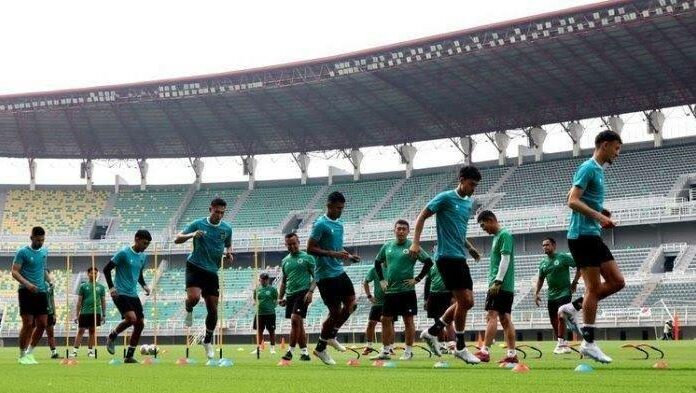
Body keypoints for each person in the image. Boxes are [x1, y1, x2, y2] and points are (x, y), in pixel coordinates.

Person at [558, 130, 625, 364]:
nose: (618, 153)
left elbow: (573, 195)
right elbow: (572, 200)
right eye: (616, 148)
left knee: (618, 282)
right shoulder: (588, 167)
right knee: (594, 290)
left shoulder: (597, 170)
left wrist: (600, 214)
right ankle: (588, 343)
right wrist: (599, 216)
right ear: (604, 145)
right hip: (582, 236)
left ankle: (572, 307)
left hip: (592, 235)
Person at [410, 166, 482, 364]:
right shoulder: (445, 198)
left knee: (468, 302)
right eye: (471, 184)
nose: (473, 189)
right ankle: (459, 347)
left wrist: (470, 247)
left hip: (460, 256)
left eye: (476, 186)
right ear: (461, 179)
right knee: (464, 301)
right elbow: (422, 216)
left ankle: (433, 331)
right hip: (446, 256)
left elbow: (459, 231)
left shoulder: (467, 204)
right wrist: (416, 242)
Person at [175, 197, 233, 360]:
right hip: (194, 266)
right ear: (210, 209)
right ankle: (189, 308)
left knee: (213, 309)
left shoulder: (227, 229)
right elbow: (177, 238)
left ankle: (207, 341)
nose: (219, 215)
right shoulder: (198, 224)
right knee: (193, 298)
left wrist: (229, 253)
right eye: (217, 212)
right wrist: (192, 234)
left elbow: (228, 244)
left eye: (222, 213)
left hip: (212, 271)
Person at [307, 191, 360, 365]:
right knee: (335, 312)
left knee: (352, 305)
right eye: (338, 208)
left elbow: (337, 247)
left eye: (342, 208)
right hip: (325, 275)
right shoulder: (320, 224)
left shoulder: (340, 224)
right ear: (329, 206)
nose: (340, 211)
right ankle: (321, 348)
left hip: (339, 271)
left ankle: (331, 336)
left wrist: (348, 255)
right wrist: (333, 254)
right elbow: (310, 248)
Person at [372, 220, 433, 361]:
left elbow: (428, 262)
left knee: (408, 320)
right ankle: (386, 351)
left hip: (407, 291)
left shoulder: (413, 246)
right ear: (394, 230)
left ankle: (408, 352)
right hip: (391, 291)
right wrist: (381, 280)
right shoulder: (387, 246)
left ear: (408, 231)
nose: (401, 231)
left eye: (404, 229)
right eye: (399, 228)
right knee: (385, 319)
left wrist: (417, 279)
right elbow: (377, 262)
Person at [474, 210, 518, 364]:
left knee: (491, 315)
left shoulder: (504, 235)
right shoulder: (497, 237)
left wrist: (497, 281)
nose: (483, 228)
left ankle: (484, 351)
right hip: (503, 285)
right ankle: (512, 355)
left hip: (499, 285)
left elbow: (505, 259)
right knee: (505, 319)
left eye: (483, 225)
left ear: (491, 220)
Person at [104, 230, 152, 363]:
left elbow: (139, 273)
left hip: (133, 294)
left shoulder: (143, 256)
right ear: (136, 239)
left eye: (148, 244)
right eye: (144, 243)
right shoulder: (124, 253)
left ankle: (129, 356)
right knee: (131, 319)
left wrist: (144, 285)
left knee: (140, 324)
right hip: (120, 292)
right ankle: (112, 336)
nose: (145, 246)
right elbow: (106, 269)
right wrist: (111, 287)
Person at [534, 237, 580, 354]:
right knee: (553, 320)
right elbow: (540, 279)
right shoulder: (543, 263)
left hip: (565, 292)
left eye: (547, 245)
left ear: (554, 246)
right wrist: (536, 293)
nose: (545, 247)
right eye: (543, 245)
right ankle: (563, 342)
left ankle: (560, 343)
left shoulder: (563, 257)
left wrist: (574, 282)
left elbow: (579, 266)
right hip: (551, 295)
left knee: (561, 315)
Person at [12, 226, 49, 365]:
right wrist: (27, 284)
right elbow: (14, 271)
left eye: (43, 240)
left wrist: (50, 281)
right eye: (38, 240)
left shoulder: (45, 251)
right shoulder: (22, 252)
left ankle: (29, 353)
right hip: (26, 291)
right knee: (28, 324)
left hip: (41, 292)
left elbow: (43, 269)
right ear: (31, 238)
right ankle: (22, 355)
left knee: (42, 324)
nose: (41, 242)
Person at [278, 233, 315, 361]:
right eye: (289, 244)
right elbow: (284, 281)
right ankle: (305, 353)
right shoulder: (285, 261)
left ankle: (290, 351)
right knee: (298, 323)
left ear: (299, 242)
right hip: (290, 295)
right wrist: (280, 297)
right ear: (286, 245)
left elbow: (316, 276)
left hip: (303, 293)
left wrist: (310, 292)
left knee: (295, 320)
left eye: (294, 243)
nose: (292, 246)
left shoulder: (308, 258)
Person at [71, 267, 107, 358]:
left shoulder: (101, 287)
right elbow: (79, 301)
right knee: (81, 331)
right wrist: (76, 315)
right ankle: (75, 351)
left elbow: (103, 301)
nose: (94, 275)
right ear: (88, 274)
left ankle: (90, 351)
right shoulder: (83, 286)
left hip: (96, 312)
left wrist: (104, 314)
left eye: (95, 273)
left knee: (92, 331)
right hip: (84, 312)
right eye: (92, 273)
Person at [424, 262, 455, 354]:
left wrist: (454, 296)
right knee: (437, 321)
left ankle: (452, 345)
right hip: (434, 295)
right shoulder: (431, 266)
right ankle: (442, 346)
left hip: (447, 294)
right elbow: (427, 283)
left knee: (448, 321)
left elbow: (455, 280)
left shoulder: (450, 264)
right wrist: (426, 299)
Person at [252, 273, 279, 354]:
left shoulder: (273, 289)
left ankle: (272, 348)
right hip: (259, 313)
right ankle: (259, 347)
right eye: (262, 279)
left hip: (270, 313)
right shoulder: (257, 290)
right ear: (260, 280)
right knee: (259, 331)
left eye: (265, 279)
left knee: (271, 331)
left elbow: (276, 300)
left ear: (268, 280)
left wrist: (272, 307)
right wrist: (256, 304)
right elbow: (255, 300)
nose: (263, 281)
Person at [362, 266, 386, 356]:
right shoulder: (375, 268)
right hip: (377, 303)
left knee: (388, 324)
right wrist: (369, 296)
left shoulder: (393, 266)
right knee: (371, 323)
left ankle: (388, 348)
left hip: (390, 301)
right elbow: (365, 282)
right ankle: (369, 346)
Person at [44, 270, 61, 359]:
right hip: (38, 312)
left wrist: (54, 313)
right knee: (34, 332)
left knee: (50, 333)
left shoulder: (50, 287)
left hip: (49, 313)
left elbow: (52, 300)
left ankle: (54, 352)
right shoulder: (37, 284)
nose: (47, 275)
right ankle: (27, 351)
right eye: (45, 273)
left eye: (48, 273)